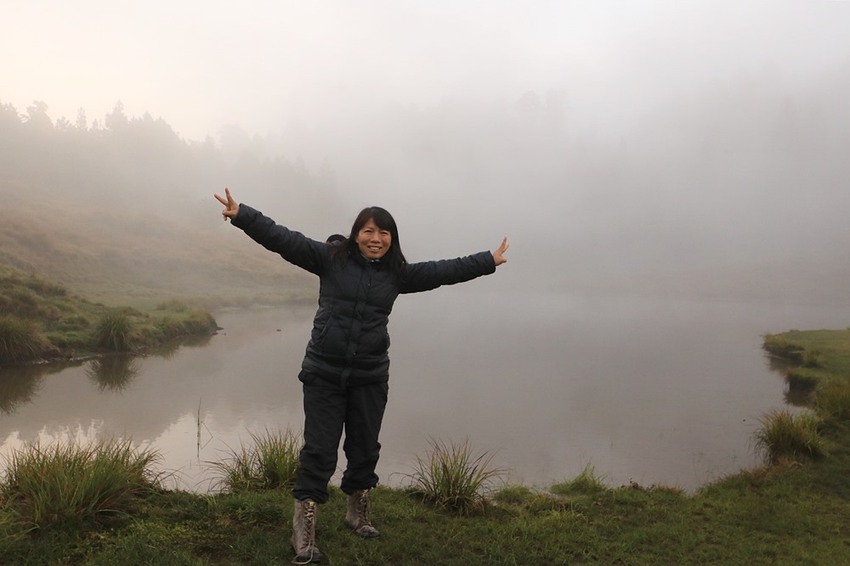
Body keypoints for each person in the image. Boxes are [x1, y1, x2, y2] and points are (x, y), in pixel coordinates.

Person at [214, 188, 509, 564]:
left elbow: (443, 271)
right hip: (324, 373)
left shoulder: (397, 275)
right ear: (356, 235)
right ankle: (303, 530)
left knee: (365, 448)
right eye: (369, 231)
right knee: (319, 451)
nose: (376, 238)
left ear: (392, 239)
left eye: (384, 233)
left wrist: (487, 260)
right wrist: (243, 216)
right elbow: (284, 239)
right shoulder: (330, 259)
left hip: (370, 375)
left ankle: (357, 513)